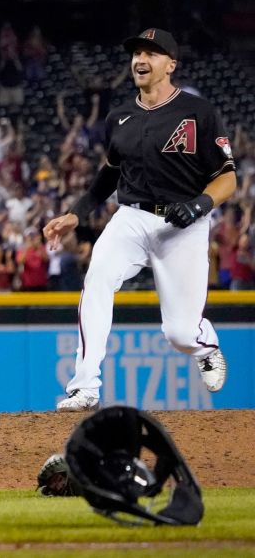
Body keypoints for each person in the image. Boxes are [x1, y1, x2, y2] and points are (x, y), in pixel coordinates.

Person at [44, 29, 236, 412]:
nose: (140, 59)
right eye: (136, 53)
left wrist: (199, 205)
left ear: (171, 64)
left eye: (152, 52)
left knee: (179, 333)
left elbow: (228, 178)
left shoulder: (198, 112)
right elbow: (110, 174)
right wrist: (75, 213)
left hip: (184, 222)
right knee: (97, 277)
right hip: (131, 217)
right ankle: (85, 387)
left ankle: (204, 342)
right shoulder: (120, 118)